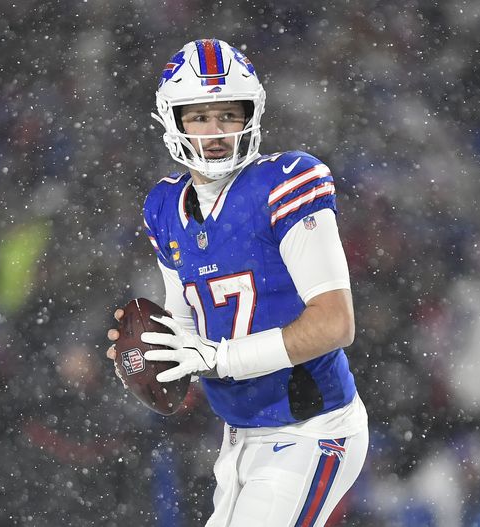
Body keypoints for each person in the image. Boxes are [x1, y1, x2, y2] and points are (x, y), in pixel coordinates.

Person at [106, 38, 369, 527]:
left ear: (251, 116)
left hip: (311, 427)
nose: (215, 132)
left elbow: (335, 323)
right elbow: (184, 320)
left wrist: (218, 359)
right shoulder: (164, 207)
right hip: (239, 432)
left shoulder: (286, 182)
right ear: (174, 120)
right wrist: (155, 357)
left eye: (228, 114)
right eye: (200, 116)